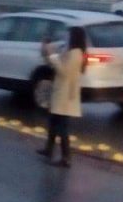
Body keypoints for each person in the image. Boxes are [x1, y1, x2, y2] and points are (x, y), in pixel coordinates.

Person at [37, 26, 86, 167]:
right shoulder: (69, 51)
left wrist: (52, 56)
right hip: (60, 92)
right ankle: (49, 149)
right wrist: (46, 51)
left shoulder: (76, 53)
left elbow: (64, 71)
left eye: (69, 35)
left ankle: (66, 157)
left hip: (66, 94)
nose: (66, 38)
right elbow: (54, 64)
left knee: (62, 127)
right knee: (53, 122)